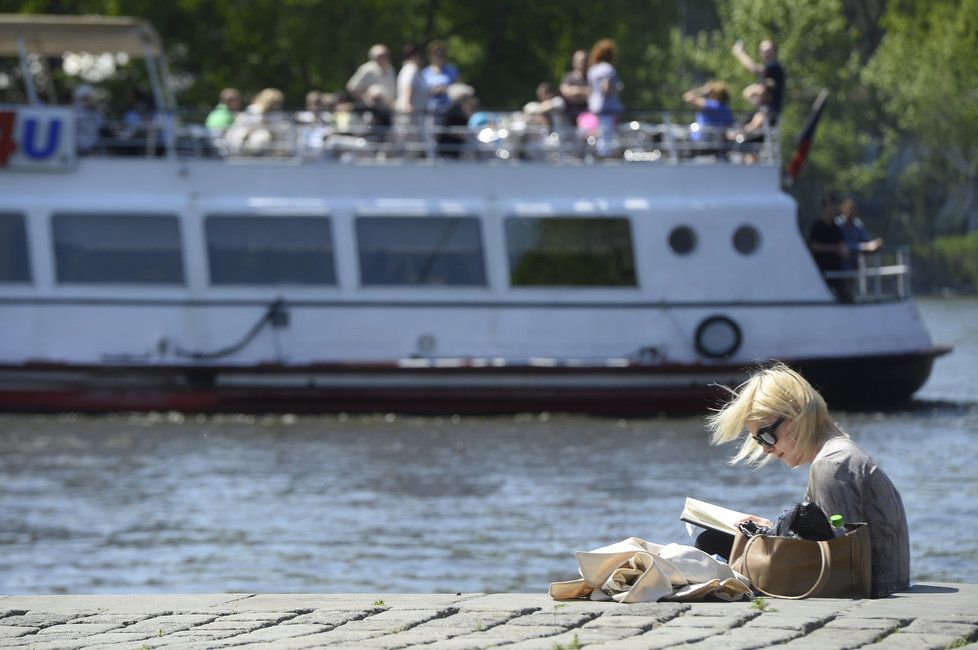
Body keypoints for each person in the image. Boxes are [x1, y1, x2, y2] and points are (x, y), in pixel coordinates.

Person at [705, 363, 910, 598]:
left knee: (710, 545)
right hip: (884, 586)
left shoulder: (830, 466)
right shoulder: (839, 455)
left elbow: (838, 563)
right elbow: (833, 542)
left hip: (874, 592)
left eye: (766, 435)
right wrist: (770, 530)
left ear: (796, 413)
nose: (765, 449)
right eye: (758, 440)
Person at [808, 193, 851, 302]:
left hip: (835, 273)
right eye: (831, 206)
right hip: (821, 273)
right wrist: (833, 248)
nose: (833, 209)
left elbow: (841, 244)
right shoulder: (817, 226)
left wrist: (844, 251)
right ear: (825, 208)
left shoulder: (836, 228)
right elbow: (814, 247)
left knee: (848, 300)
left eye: (835, 206)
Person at [586, 38, 624, 158]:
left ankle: (595, 155)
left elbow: (590, 90)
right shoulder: (608, 69)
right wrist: (617, 88)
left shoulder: (592, 70)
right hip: (607, 108)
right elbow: (606, 87)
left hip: (594, 107)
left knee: (598, 134)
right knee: (606, 136)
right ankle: (604, 158)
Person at [732, 39, 786, 118]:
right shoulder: (768, 71)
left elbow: (755, 69)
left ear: (775, 52)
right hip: (764, 112)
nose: (765, 53)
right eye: (762, 50)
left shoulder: (775, 66)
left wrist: (739, 53)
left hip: (771, 113)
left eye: (768, 50)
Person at [395, 43, 431, 158]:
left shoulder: (414, 70)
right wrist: (407, 104)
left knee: (415, 149)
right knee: (411, 149)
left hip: (416, 117)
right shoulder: (411, 68)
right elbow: (407, 86)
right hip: (409, 117)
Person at [836, 198, 883, 270]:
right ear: (843, 210)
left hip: (855, 268)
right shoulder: (837, 224)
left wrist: (874, 243)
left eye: (852, 210)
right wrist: (864, 247)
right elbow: (842, 246)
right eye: (849, 210)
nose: (850, 213)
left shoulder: (857, 224)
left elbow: (865, 242)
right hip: (839, 268)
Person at [421, 40, 461, 119]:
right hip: (430, 110)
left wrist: (448, 89)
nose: (439, 56)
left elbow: (459, 88)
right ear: (431, 55)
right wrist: (433, 91)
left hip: (449, 109)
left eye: (442, 54)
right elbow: (421, 91)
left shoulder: (452, 70)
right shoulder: (424, 73)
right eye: (436, 53)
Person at [72, 84, 106, 155]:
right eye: (85, 98)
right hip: (78, 146)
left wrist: (97, 110)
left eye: (89, 98)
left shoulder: (94, 111)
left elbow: (101, 124)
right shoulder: (73, 112)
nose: (89, 100)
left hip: (94, 145)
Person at [559, 49, 590, 125]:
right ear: (574, 62)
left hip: (588, 115)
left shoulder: (591, 77)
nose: (581, 63)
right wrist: (584, 92)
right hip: (569, 116)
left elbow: (593, 93)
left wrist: (575, 91)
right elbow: (564, 92)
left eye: (583, 60)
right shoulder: (568, 77)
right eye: (578, 60)